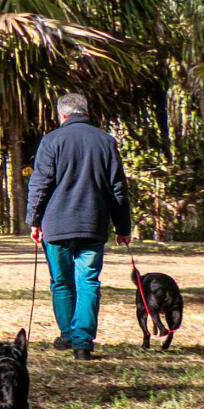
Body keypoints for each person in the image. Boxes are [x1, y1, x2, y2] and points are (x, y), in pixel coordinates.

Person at [27, 90, 132, 359]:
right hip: (93, 224)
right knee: (88, 282)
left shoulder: (51, 141)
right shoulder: (106, 141)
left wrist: (34, 221)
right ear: (85, 113)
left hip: (57, 225)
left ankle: (67, 334)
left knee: (61, 283)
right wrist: (123, 228)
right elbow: (118, 188)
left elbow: (40, 184)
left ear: (62, 115)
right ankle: (83, 343)